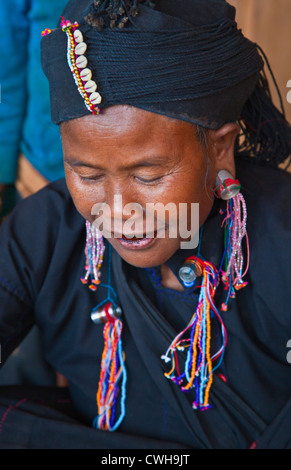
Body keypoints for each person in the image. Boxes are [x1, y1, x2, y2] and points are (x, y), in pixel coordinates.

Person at [0, 0, 290, 450]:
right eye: (88, 174)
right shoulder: (45, 229)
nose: (116, 210)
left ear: (221, 148)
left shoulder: (283, 234)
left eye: (149, 176)